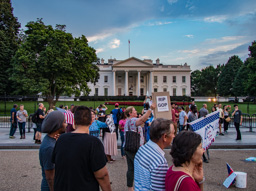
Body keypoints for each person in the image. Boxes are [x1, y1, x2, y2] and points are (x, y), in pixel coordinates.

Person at [52, 106, 111, 191]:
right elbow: (102, 175)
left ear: (74, 121)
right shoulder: (94, 142)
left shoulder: (61, 139)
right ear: (91, 122)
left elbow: (55, 166)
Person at [134, 118, 176, 191]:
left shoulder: (142, 149)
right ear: (165, 137)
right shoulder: (160, 162)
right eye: (173, 133)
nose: (174, 136)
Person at [124, 103, 156, 191]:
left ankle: (130, 187)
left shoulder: (129, 120)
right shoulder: (132, 120)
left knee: (131, 168)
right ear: (130, 113)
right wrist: (151, 109)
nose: (135, 111)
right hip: (134, 147)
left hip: (129, 146)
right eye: (134, 110)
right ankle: (139, 186)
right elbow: (142, 120)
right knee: (139, 168)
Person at [39, 111, 67, 191]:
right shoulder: (50, 147)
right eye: (64, 122)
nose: (66, 124)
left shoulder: (52, 140)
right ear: (58, 125)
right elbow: (50, 177)